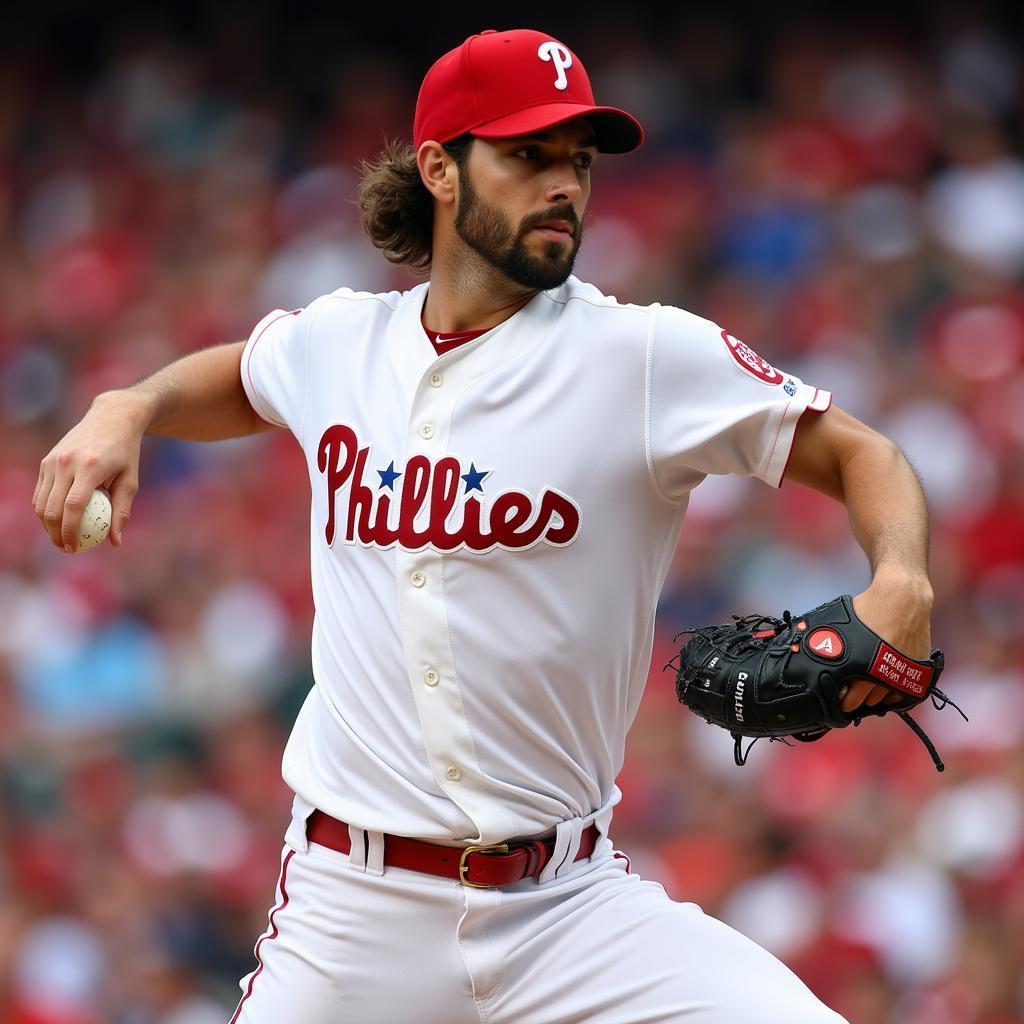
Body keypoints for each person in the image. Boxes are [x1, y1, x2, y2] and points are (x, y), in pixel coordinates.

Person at [34, 28, 934, 1024]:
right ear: (439, 169)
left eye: (578, 162)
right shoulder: (343, 342)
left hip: (570, 912)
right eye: (528, 155)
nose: (564, 186)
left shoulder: (638, 358)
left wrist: (902, 579)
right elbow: (243, 377)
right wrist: (131, 403)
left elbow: (863, 453)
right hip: (350, 915)